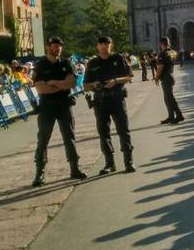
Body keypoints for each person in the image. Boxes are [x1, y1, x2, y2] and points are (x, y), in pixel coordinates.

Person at [31, 36, 87, 186]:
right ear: (48, 47)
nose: (58, 48)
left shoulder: (66, 63)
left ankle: (74, 168)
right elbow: (41, 87)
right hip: (47, 106)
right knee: (43, 139)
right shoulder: (40, 65)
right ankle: (39, 173)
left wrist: (53, 82)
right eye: (54, 46)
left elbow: (72, 84)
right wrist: (61, 85)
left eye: (60, 46)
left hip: (64, 105)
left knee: (69, 137)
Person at [84, 35, 136, 174]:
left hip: (117, 99)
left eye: (107, 43)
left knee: (123, 131)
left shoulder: (118, 59)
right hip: (100, 101)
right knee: (103, 133)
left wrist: (116, 81)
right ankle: (109, 163)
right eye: (101, 43)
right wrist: (94, 85)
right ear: (97, 46)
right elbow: (85, 85)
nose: (104, 46)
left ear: (111, 45)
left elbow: (130, 76)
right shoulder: (92, 63)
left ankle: (128, 161)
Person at [155, 37, 184, 124]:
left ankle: (179, 115)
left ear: (161, 44)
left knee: (169, 98)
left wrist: (156, 77)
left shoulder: (163, 54)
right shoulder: (173, 52)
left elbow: (160, 67)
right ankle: (171, 116)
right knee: (168, 98)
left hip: (166, 77)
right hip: (171, 75)